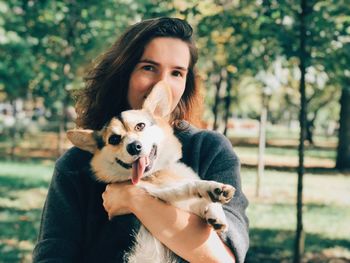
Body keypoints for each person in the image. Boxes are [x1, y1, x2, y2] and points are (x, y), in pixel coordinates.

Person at [33, 17, 249, 263]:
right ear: (123, 72)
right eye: (148, 67)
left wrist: (135, 199)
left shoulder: (210, 150)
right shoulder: (75, 164)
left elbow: (222, 259)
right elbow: (53, 256)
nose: (162, 83)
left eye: (177, 73)